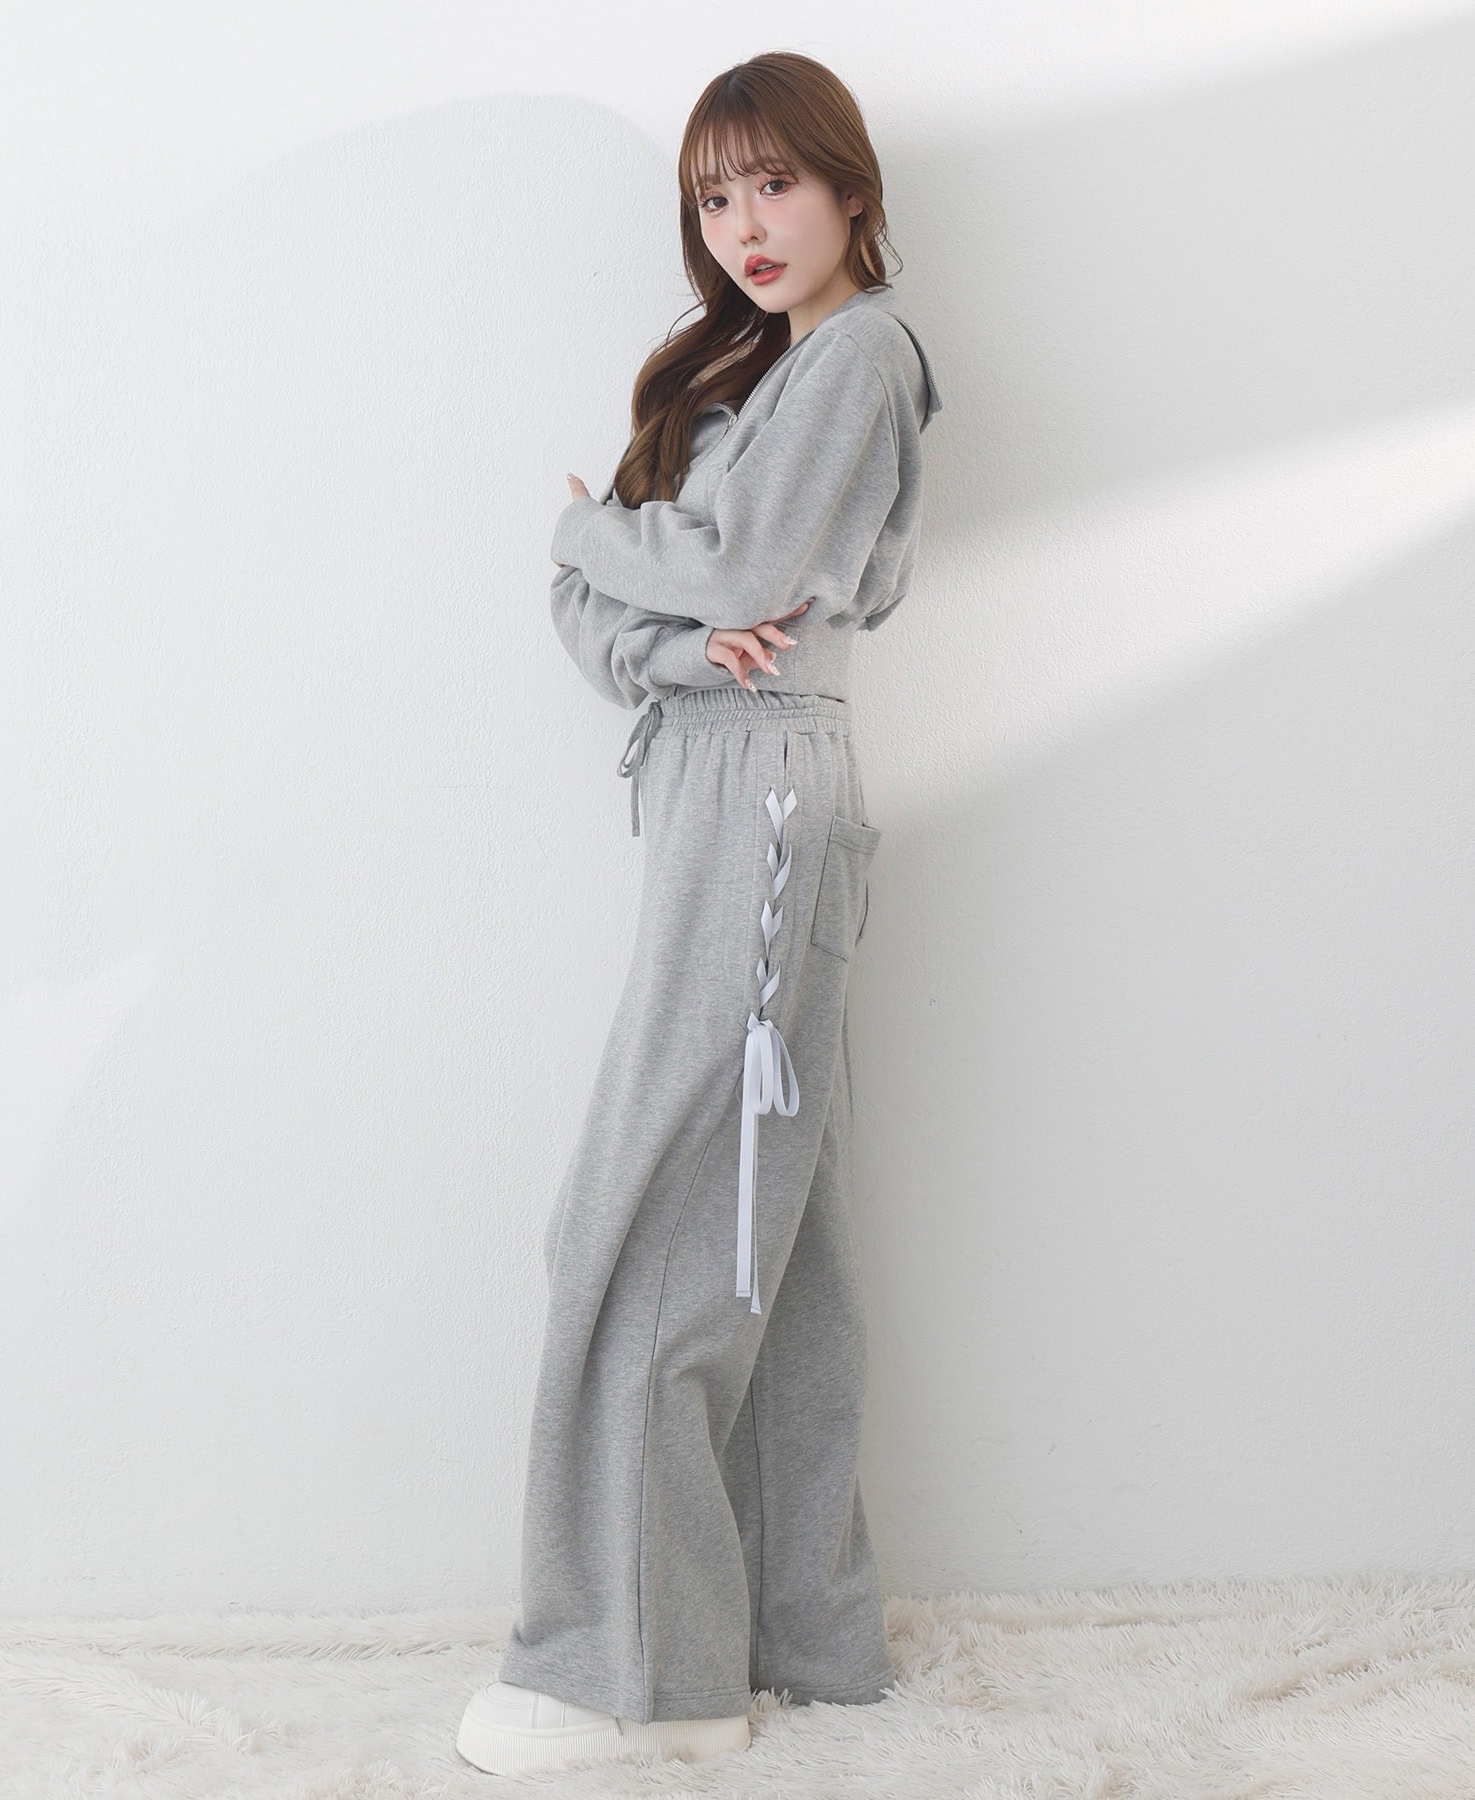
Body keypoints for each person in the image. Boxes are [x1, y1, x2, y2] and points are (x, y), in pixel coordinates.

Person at [455, 49, 945, 1776]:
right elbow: (612, 626)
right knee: (765, 1228)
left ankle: (636, 1678)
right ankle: (797, 1633)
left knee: (650, 1220)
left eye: (775, 183)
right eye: (715, 195)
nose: (746, 223)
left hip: (767, 793)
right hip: (710, 777)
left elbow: (721, 572)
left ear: (851, 189)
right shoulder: (747, 373)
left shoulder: (862, 355)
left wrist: (596, 535)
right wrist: (655, 619)